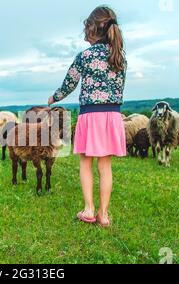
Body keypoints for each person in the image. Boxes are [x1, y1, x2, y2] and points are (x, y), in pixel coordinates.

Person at [48, 6, 127, 227]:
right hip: (112, 115)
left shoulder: (85, 56)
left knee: (85, 162)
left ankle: (89, 209)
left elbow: (70, 83)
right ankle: (104, 215)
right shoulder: (119, 57)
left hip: (91, 115)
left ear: (92, 28)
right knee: (105, 166)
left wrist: (54, 97)